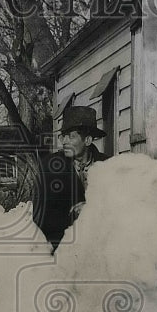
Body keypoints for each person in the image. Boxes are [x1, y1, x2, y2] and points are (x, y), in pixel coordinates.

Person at [32, 105, 108, 251]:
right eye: (63, 136)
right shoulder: (50, 168)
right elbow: (40, 218)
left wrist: (91, 209)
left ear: (87, 140)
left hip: (102, 249)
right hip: (63, 249)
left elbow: (120, 209)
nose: (64, 141)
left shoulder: (108, 166)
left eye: (71, 136)